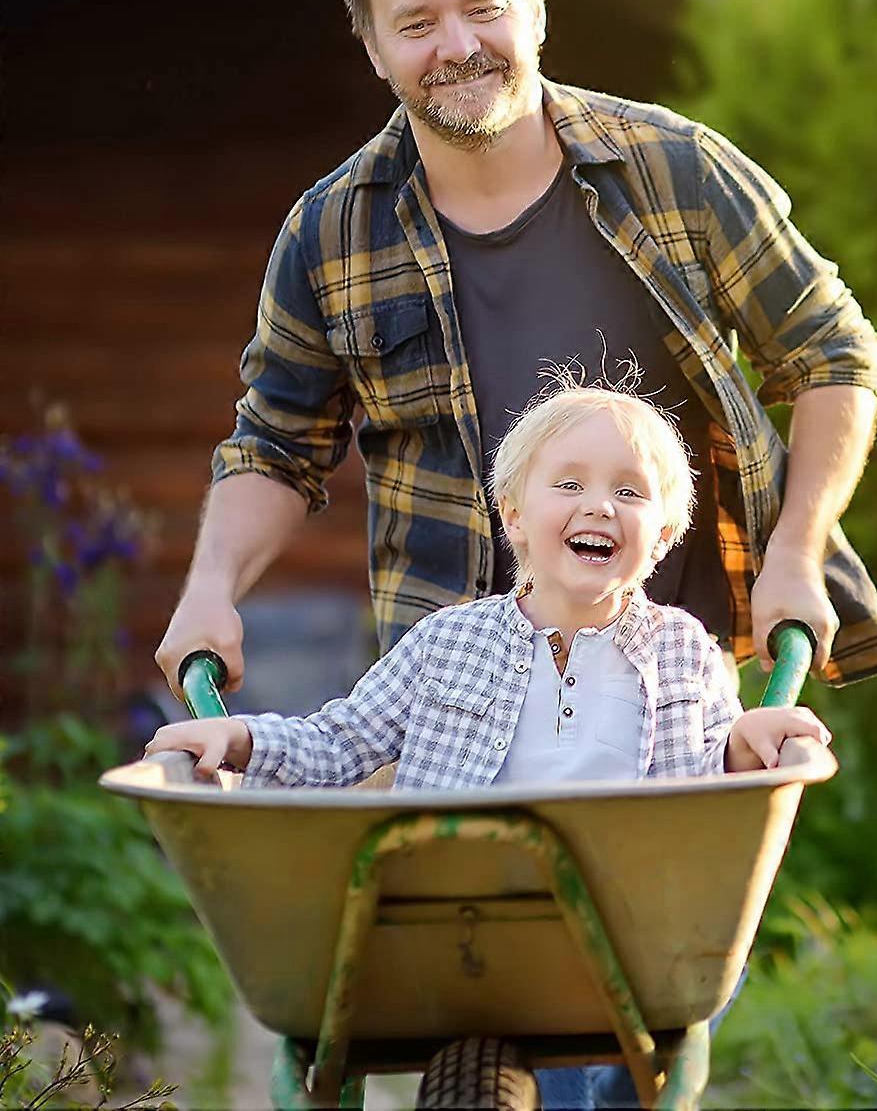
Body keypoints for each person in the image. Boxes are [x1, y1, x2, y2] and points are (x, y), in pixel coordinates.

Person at [154, 0, 877, 705]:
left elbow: (831, 356)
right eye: (417, 23)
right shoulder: (330, 233)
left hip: (679, 691)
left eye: (484, 8)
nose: (457, 46)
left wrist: (797, 554)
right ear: (373, 50)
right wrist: (209, 587)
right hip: (453, 705)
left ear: (538, 10)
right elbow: (275, 446)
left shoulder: (676, 171)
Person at [147, 384, 826, 1110]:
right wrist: (240, 737)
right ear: (515, 516)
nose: (599, 505)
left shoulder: (683, 650)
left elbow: (709, 780)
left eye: (630, 492)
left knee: (628, 1046)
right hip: (459, 925)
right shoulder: (448, 642)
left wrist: (747, 746)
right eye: (569, 484)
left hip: (633, 933)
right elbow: (340, 741)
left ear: (660, 536)